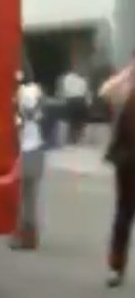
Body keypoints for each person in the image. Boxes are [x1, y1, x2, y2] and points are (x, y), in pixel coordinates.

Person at [100, 58, 135, 287]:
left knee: (123, 216)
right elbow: (105, 92)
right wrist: (128, 73)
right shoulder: (127, 90)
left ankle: (116, 267)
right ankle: (116, 267)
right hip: (128, 163)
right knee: (123, 216)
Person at [10, 76, 45, 250]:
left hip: (25, 150)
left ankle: (22, 236)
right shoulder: (37, 92)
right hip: (37, 149)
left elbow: (19, 120)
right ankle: (31, 236)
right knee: (30, 197)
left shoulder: (21, 94)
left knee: (21, 196)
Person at [57, 65, 91, 144]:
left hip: (70, 101)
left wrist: (62, 99)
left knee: (71, 119)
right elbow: (86, 93)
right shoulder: (83, 80)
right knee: (81, 119)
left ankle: (72, 137)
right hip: (80, 101)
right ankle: (79, 134)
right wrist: (88, 103)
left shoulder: (66, 78)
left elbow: (63, 91)